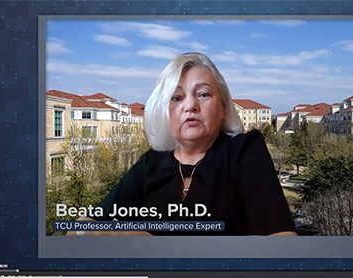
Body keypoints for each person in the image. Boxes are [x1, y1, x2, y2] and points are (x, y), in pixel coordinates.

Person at [69, 52, 296, 236]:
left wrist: (156, 250)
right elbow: (86, 224)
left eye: (203, 94)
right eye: (177, 98)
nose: (190, 106)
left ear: (225, 109)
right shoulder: (151, 162)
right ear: (165, 111)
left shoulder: (244, 151)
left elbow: (281, 239)